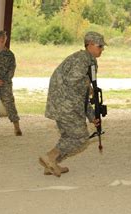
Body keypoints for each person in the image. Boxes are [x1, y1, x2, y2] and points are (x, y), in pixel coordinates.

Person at [38, 31, 106, 177]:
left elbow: (83, 93)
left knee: (68, 137)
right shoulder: (81, 59)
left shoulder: (90, 61)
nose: (102, 49)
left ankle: (51, 164)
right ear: (89, 45)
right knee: (81, 139)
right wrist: (89, 88)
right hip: (65, 104)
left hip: (69, 103)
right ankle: (50, 157)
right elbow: (73, 82)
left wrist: (91, 115)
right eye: (100, 46)